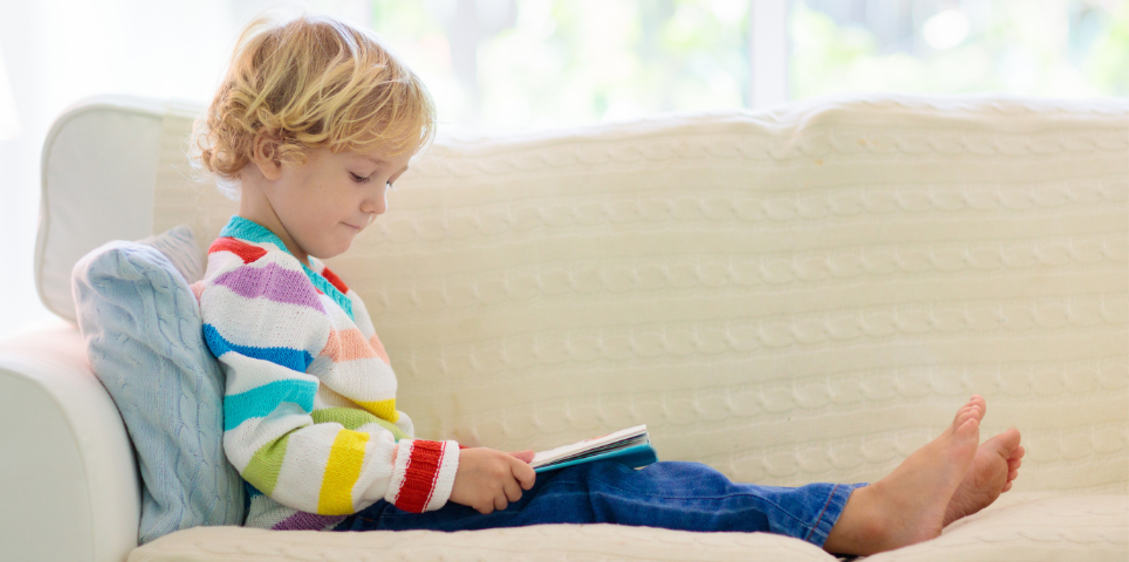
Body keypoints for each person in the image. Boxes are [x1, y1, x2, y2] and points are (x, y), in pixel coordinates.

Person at [188, 13, 1025, 556]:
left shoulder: (298, 276)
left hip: (372, 506)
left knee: (615, 472)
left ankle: (855, 508)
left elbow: (335, 433)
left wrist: (450, 460)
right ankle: (861, 516)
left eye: (391, 182)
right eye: (363, 175)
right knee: (605, 489)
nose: (377, 205)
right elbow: (270, 449)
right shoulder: (259, 282)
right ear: (272, 152)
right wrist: (437, 473)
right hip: (345, 529)